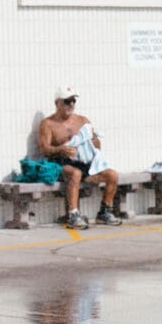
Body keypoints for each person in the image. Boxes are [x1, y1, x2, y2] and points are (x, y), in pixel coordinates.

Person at [37, 86, 123, 229]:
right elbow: (44, 149)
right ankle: (73, 214)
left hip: (85, 162)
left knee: (112, 175)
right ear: (57, 103)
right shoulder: (48, 124)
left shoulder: (82, 121)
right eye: (67, 101)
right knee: (74, 174)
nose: (71, 104)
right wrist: (61, 149)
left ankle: (104, 211)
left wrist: (93, 140)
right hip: (61, 161)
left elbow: (97, 145)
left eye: (73, 101)